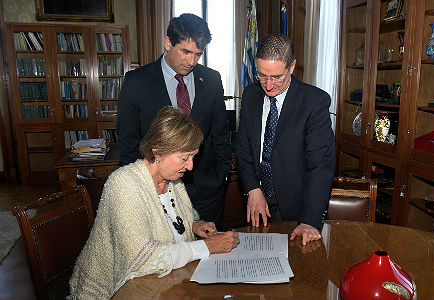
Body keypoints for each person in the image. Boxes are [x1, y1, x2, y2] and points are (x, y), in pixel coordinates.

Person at [69, 107, 239, 300]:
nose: (191, 166)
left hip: (163, 284)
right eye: (184, 158)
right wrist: (207, 247)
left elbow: (174, 222)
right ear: (157, 151)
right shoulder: (123, 184)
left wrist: (194, 225)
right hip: (116, 291)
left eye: (193, 156)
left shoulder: (174, 181)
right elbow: (142, 260)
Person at [117, 13, 232, 228]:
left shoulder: (212, 80)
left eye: (198, 54)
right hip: (157, 191)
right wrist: (145, 186)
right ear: (168, 43)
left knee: (211, 254)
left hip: (207, 190)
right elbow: (128, 142)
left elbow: (220, 133)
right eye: (186, 52)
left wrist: (221, 175)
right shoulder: (136, 82)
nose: (192, 61)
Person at [235, 33, 335, 245]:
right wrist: (253, 189)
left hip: (297, 210)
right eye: (262, 75)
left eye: (277, 77)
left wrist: (309, 220)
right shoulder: (251, 95)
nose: (269, 85)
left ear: (292, 67)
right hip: (257, 203)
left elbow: (320, 166)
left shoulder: (314, 102)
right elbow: (243, 150)